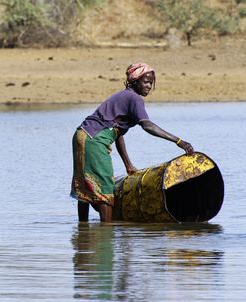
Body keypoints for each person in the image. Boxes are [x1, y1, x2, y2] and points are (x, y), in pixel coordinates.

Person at [70, 62, 194, 223]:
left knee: (86, 185)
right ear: (135, 81)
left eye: (151, 83)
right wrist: (178, 141)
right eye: (146, 82)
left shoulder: (125, 96)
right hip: (95, 139)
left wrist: (128, 164)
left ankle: (83, 232)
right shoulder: (133, 98)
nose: (149, 86)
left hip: (83, 135)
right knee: (105, 188)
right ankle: (107, 234)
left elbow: (118, 134)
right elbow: (147, 125)